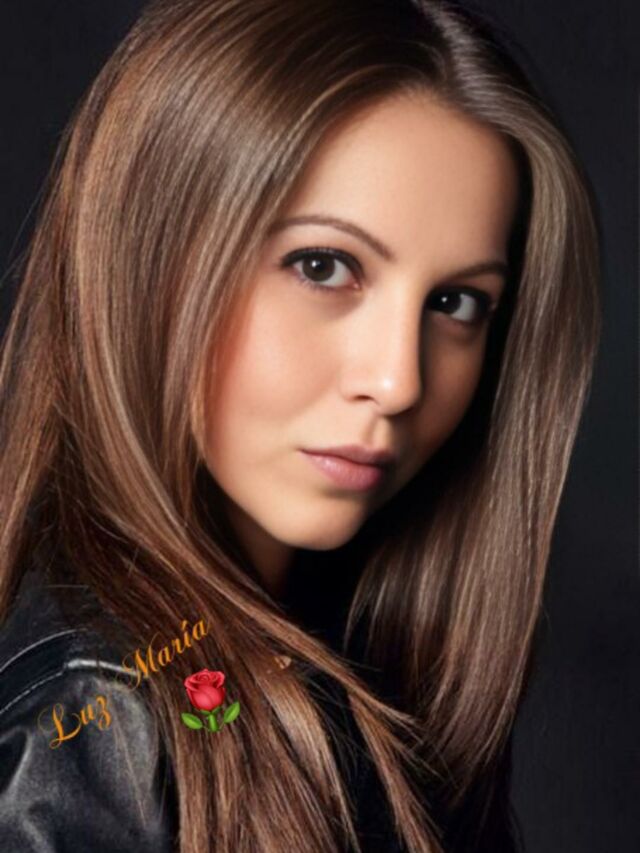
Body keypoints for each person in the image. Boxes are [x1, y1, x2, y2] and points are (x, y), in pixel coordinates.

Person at [0, 0, 601, 851]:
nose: (397, 381)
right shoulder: (95, 720)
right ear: (150, 260)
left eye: (456, 302)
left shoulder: (357, 654)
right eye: (322, 265)